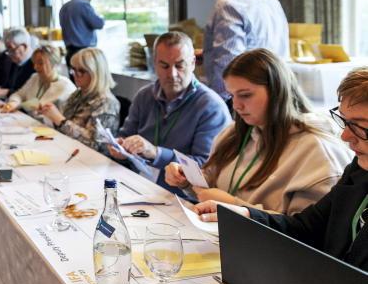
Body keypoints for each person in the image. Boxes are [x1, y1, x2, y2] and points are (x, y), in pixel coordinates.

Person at [194, 67, 368, 271]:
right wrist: (243, 214)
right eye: (345, 121)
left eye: (359, 126)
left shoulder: (318, 148)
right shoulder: (357, 171)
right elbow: (305, 228)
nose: (345, 136)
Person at [165, 49, 351, 215]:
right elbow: (210, 189)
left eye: (245, 95)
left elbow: (305, 230)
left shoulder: (316, 150)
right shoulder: (233, 134)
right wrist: (187, 181)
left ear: (277, 91)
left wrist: (233, 206)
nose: (236, 105)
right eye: (232, 95)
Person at [108, 31, 231, 193]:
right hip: (136, 184)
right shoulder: (144, 96)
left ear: (193, 63)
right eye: (164, 66)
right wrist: (120, 148)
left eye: (179, 65)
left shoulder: (211, 107)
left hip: (180, 196)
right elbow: (125, 135)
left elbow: (205, 168)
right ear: (154, 64)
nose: (172, 74)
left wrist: (156, 153)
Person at [203, 0, 289, 101]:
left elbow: (228, 62)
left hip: (242, 98)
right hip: (276, 91)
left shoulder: (228, 5)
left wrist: (217, 102)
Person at [36, 48, 120, 153]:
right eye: (74, 70)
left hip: (89, 158)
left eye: (81, 71)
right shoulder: (79, 93)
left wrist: (60, 120)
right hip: (68, 148)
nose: (75, 75)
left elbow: (95, 144)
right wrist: (50, 114)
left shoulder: (107, 103)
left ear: (95, 73)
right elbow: (64, 122)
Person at [2, 45, 75, 117]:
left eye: (40, 63)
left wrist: (20, 105)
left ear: (54, 64)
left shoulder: (65, 86)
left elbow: (38, 106)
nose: (35, 67)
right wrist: (14, 102)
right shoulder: (35, 77)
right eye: (34, 63)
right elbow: (19, 94)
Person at [58, 0, 105, 73]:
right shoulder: (84, 5)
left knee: (74, 78)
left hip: (69, 51)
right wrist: (102, 17)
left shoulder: (64, 7)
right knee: (87, 79)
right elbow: (98, 24)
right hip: (83, 53)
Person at [0, 28, 35, 99]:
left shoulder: (36, 64)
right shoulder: (14, 62)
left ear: (24, 47)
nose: (9, 54)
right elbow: (8, 85)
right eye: (7, 50)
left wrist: (7, 92)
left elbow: (31, 94)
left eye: (11, 49)